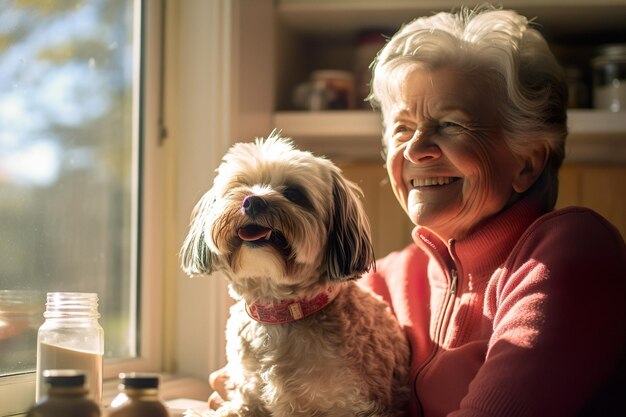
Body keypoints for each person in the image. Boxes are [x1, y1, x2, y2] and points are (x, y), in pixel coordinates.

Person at [208, 5, 626, 416]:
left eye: (451, 124)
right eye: (402, 129)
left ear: (528, 161)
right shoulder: (385, 281)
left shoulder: (568, 255)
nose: (416, 149)